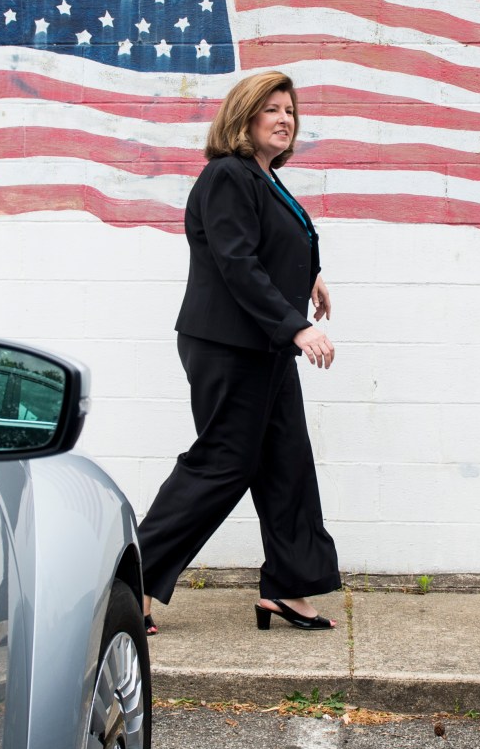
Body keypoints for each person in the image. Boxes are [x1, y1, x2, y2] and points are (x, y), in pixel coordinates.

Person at [137, 70, 341, 634]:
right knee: (223, 464)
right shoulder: (227, 174)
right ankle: (129, 579)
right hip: (229, 345)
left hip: (262, 345)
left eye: (290, 111)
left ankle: (289, 587)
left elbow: (267, 242)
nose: (284, 119)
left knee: (286, 461)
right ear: (243, 117)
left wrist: (310, 275)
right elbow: (236, 261)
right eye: (271, 109)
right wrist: (296, 327)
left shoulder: (265, 178)